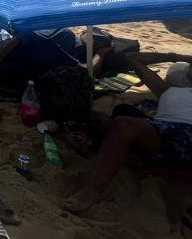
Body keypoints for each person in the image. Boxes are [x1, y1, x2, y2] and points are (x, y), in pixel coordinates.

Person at [64, 52, 192, 216]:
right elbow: (133, 58)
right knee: (123, 122)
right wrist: (180, 57)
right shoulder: (166, 90)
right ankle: (91, 190)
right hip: (164, 131)